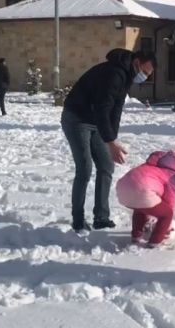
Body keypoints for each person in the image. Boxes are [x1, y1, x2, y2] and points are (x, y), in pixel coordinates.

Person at [62, 48, 157, 232]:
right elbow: (103, 108)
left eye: (148, 74)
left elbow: (116, 109)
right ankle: (78, 220)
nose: (144, 77)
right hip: (77, 118)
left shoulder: (126, 76)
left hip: (95, 121)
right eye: (144, 72)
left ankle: (101, 218)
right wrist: (110, 142)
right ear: (136, 62)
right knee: (85, 168)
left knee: (106, 166)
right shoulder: (113, 74)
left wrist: (112, 138)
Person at [116, 149, 175, 247]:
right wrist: (167, 225)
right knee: (167, 214)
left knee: (140, 208)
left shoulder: (149, 166)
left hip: (122, 191)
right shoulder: (171, 175)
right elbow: (170, 200)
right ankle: (155, 241)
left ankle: (136, 236)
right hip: (142, 193)